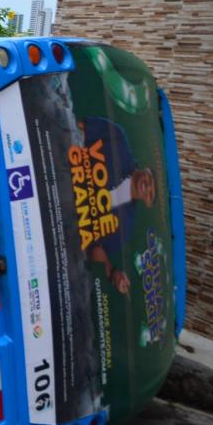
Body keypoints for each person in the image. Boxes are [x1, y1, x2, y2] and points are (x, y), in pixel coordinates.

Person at [80, 116, 156, 295]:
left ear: (148, 203)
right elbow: (75, 128)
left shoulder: (126, 227)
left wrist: (113, 273)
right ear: (148, 170)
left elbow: (96, 249)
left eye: (151, 195)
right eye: (151, 181)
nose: (148, 188)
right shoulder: (117, 138)